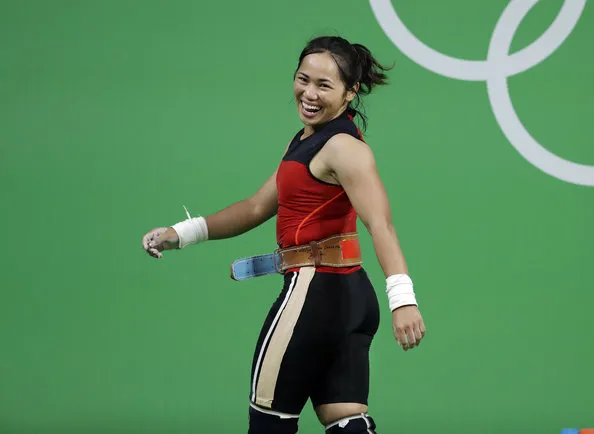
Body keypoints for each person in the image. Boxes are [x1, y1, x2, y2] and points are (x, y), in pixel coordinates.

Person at [141, 35, 426, 434]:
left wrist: (404, 301)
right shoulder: (308, 140)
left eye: (324, 85)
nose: (309, 93)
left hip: (314, 295)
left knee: (268, 423)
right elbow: (257, 206)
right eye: (303, 79)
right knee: (345, 421)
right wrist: (182, 233)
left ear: (349, 93)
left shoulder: (344, 148)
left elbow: (381, 224)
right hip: (348, 300)